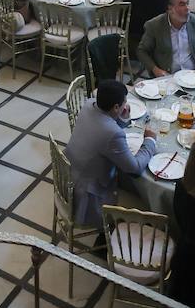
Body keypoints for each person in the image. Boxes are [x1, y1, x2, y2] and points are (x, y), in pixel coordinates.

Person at [64, 79, 157, 229]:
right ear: (115, 107)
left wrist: (123, 116)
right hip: (88, 196)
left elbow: (107, 122)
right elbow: (135, 168)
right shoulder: (112, 134)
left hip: (69, 176)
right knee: (143, 195)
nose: (126, 105)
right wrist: (150, 140)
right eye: (124, 103)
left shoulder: (89, 104)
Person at [136, 0, 195, 78]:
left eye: (187, 3)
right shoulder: (154, 25)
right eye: (182, 4)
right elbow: (142, 51)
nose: (187, 8)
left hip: (194, 75)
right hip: (168, 76)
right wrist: (156, 70)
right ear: (170, 9)